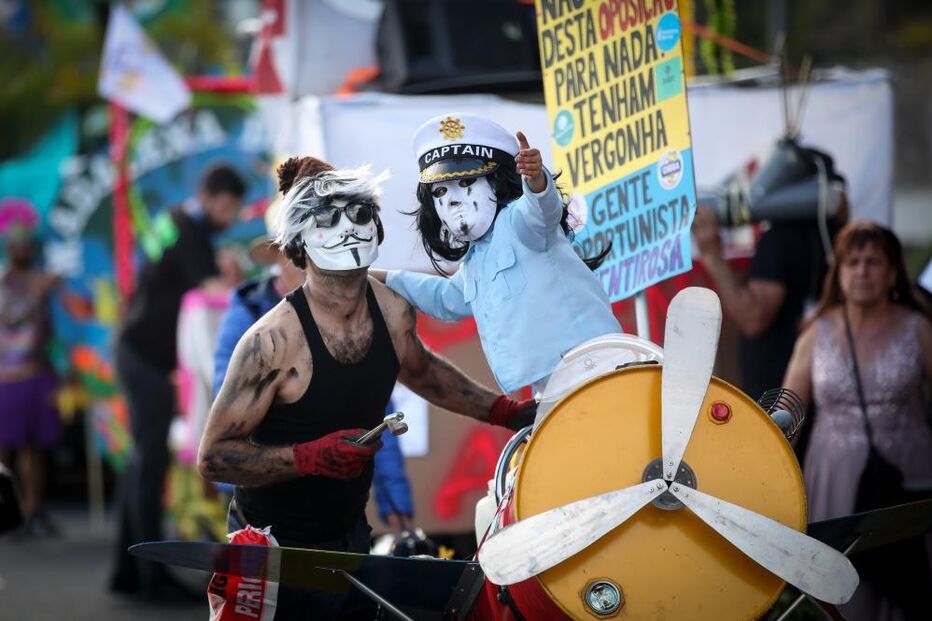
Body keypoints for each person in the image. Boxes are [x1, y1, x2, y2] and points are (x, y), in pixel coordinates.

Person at [197, 156, 535, 620]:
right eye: (327, 219)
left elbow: (422, 371)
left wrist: (506, 412)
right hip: (270, 551)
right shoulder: (272, 342)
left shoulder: (392, 309)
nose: (348, 228)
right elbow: (214, 457)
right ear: (298, 246)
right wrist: (309, 457)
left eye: (359, 213)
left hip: (348, 537)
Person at [371, 113, 620, 396]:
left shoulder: (519, 222)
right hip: (552, 388)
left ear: (497, 182)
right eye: (440, 190)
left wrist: (536, 179)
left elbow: (542, 209)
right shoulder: (475, 259)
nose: (453, 199)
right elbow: (446, 298)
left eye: (467, 182)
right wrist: (380, 278)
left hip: (593, 368)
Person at [211, 202, 414, 531]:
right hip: (264, 500)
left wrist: (395, 496)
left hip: (336, 501)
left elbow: (376, 405)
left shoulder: (348, 313)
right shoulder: (249, 319)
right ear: (286, 254)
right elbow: (230, 409)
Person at [782, 220, 932, 620]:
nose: (862, 271)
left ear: (892, 272)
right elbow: (789, 410)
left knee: (908, 583)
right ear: (839, 272)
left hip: (908, 478)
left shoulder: (918, 328)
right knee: (847, 589)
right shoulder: (815, 333)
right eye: (853, 262)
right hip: (834, 478)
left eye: (873, 262)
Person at [109, 164, 246, 601]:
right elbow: (213, 289)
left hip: (137, 352)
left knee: (140, 466)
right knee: (149, 466)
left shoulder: (177, 223)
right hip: (145, 358)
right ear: (208, 197)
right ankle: (152, 576)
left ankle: (126, 572)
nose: (229, 217)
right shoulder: (188, 230)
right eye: (226, 208)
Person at [0, 199, 61, 538]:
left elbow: (50, 328)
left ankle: (33, 510)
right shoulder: (4, 280)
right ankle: (7, 512)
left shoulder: (41, 280)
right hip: (7, 377)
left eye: (27, 242)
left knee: (36, 448)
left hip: (39, 373)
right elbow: (9, 318)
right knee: (5, 448)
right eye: (17, 242)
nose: (23, 248)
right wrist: (37, 294)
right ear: (9, 246)